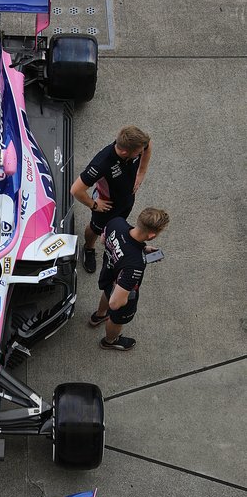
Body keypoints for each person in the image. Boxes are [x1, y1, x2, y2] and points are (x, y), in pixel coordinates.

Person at [71, 126, 152, 273]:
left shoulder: (137, 145)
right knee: (95, 228)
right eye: (138, 153)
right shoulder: (102, 163)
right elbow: (76, 190)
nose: (141, 153)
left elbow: (148, 145)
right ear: (124, 152)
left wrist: (141, 173)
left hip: (126, 200)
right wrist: (94, 205)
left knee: (119, 225)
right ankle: (88, 248)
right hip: (106, 205)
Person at [89, 207, 169, 351]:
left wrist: (142, 249)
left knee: (108, 292)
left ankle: (99, 316)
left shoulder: (117, 222)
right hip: (121, 286)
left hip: (108, 273)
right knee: (116, 318)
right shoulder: (135, 266)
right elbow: (114, 304)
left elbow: (103, 240)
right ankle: (110, 341)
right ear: (152, 235)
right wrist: (124, 299)